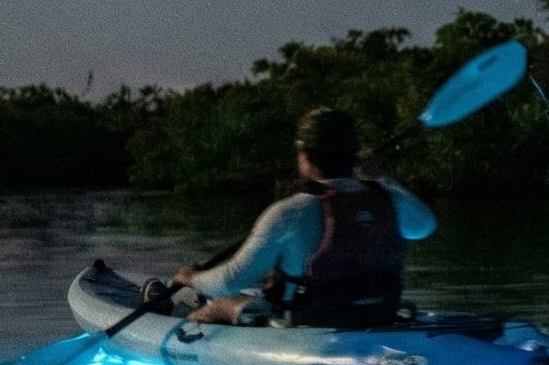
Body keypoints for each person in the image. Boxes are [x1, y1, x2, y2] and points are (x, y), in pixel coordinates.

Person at [172, 108, 421, 327]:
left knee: (219, 303)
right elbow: (423, 227)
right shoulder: (389, 199)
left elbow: (230, 281)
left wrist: (193, 279)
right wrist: (382, 176)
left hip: (310, 323)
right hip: (380, 312)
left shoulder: (288, 212)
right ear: (354, 153)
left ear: (304, 154)